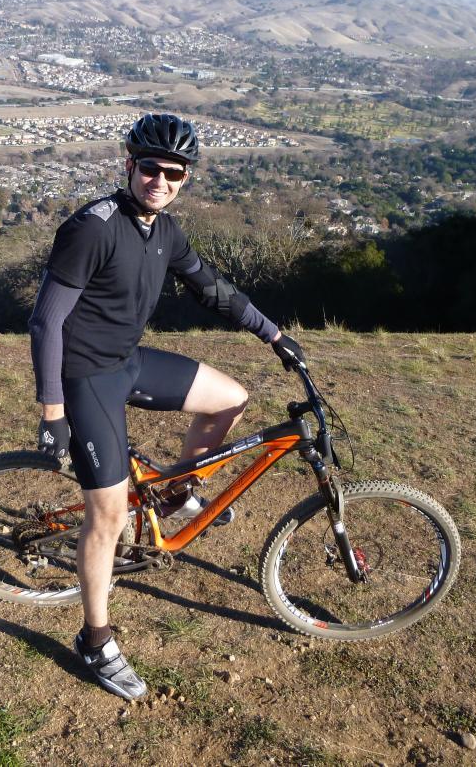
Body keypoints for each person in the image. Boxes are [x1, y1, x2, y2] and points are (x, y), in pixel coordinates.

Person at [28, 113, 305, 700]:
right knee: (107, 517)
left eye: (173, 173)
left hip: (127, 360)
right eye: (150, 168)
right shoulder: (92, 228)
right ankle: (95, 639)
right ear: (129, 165)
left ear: (185, 179)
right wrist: (52, 411)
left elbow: (212, 289)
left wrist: (274, 335)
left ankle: (175, 494)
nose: (160, 181)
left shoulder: (166, 230)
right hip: (86, 376)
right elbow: (47, 321)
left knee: (230, 399)